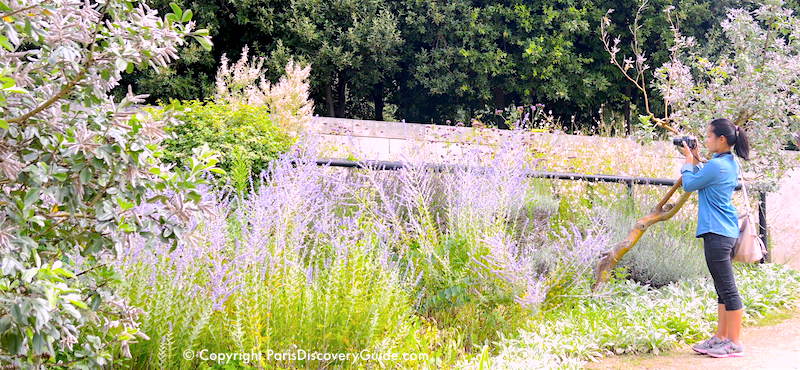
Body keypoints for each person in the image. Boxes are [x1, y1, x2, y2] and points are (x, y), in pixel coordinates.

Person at [679, 118, 751, 359]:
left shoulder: (718, 166)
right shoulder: (726, 162)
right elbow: (706, 176)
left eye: (709, 136)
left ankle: (734, 342)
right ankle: (721, 337)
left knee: (728, 290)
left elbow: (689, 184)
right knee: (722, 289)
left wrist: (689, 161)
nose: (706, 139)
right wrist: (697, 159)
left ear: (722, 139)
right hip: (724, 231)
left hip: (718, 233)